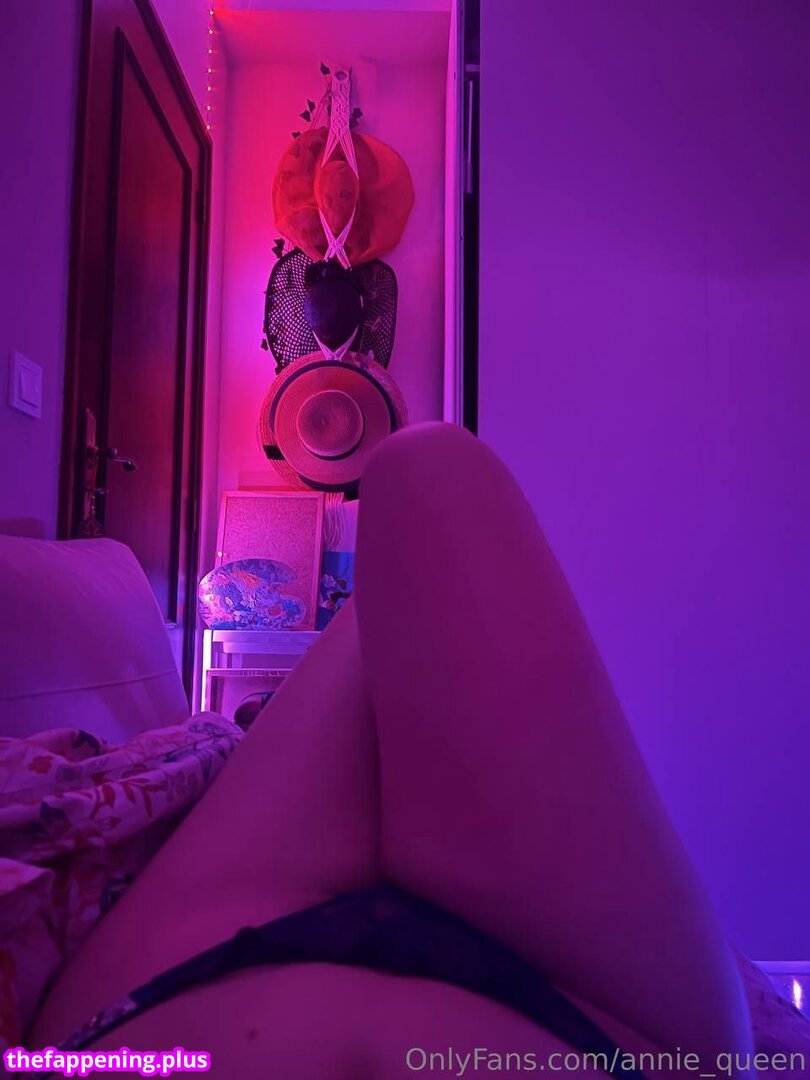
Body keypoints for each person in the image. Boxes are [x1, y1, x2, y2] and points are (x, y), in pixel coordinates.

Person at [31, 423, 753, 1077]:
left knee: (421, 481)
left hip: (161, 1013)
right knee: (426, 475)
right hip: (610, 1034)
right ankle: (338, 717)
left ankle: (324, 713)